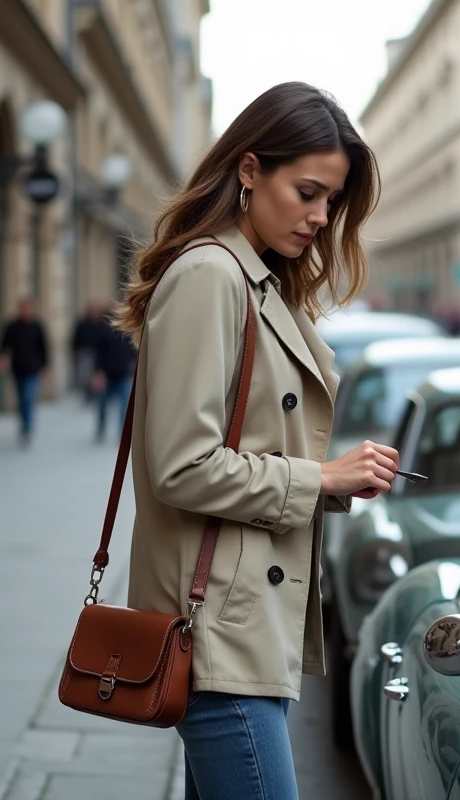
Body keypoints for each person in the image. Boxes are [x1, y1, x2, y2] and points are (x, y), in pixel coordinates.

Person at [114, 82, 398, 799]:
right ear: (248, 171)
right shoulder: (212, 276)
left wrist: (334, 477)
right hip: (218, 632)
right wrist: (321, 479)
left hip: (241, 625)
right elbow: (181, 466)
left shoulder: (258, 281)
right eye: (307, 191)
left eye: (330, 200)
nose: (319, 216)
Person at [0, 297, 50, 447]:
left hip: (33, 369)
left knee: (28, 397)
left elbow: (44, 348)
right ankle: (24, 426)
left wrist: (45, 367)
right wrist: (2, 358)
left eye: (29, 308)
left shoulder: (37, 326)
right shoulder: (12, 326)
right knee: (22, 400)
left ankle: (27, 428)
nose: (27, 311)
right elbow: (4, 345)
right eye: (24, 308)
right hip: (18, 369)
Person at [90, 301, 136, 443]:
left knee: (124, 405)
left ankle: (122, 434)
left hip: (123, 374)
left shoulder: (128, 332)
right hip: (107, 375)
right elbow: (98, 354)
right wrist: (98, 373)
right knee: (102, 404)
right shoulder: (103, 331)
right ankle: (101, 427)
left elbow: (134, 352)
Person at [71, 302, 101, 402]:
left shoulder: (100, 324)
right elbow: (75, 338)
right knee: (85, 376)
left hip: (97, 353)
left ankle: (94, 393)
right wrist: (76, 350)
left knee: (95, 375)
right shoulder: (82, 323)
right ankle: (87, 393)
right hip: (84, 353)